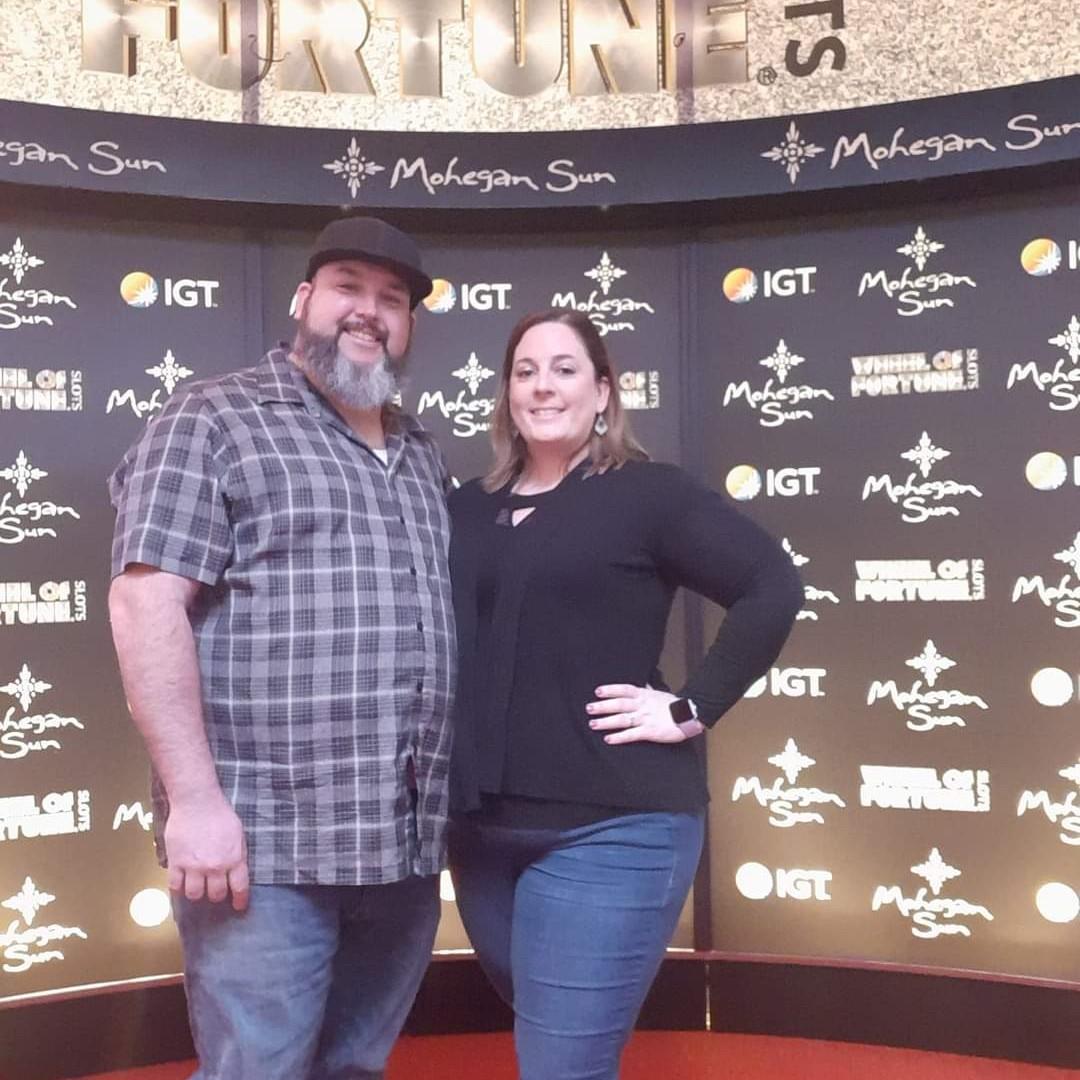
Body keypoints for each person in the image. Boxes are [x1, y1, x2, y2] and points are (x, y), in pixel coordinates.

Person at [107, 217, 455, 1080]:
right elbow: (145, 602)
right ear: (304, 299)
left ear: (409, 326)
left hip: (403, 847)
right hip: (263, 848)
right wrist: (194, 804)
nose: (369, 311)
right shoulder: (212, 417)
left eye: (392, 299)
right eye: (347, 288)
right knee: (256, 1070)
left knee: (355, 1069)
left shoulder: (420, 450)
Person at [447, 309, 803, 1080]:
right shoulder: (463, 507)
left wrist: (692, 708)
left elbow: (770, 585)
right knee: (553, 1041)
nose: (543, 386)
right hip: (478, 836)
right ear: (506, 393)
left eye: (564, 369)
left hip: (613, 829)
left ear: (604, 391)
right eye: (525, 371)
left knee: (560, 1066)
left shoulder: (648, 495)